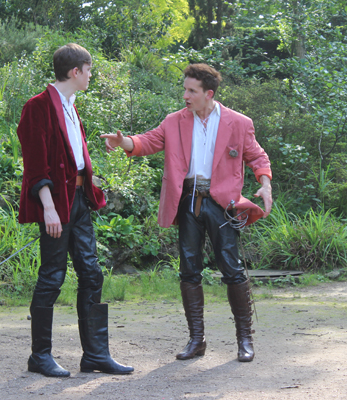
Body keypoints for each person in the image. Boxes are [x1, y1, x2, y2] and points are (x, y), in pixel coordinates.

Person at [101, 63, 272, 363]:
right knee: (189, 270)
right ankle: (197, 340)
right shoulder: (174, 121)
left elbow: (257, 156)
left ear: (209, 94)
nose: (185, 96)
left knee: (231, 269)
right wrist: (124, 142)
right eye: (185, 89)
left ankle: (245, 339)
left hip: (222, 203)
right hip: (188, 200)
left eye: (191, 91)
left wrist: (265, 185)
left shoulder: (239, 122)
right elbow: (148, 141)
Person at [17, 43, 133, 377]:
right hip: (56, 203)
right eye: (89, 69)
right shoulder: (37, 106)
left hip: (79, 200)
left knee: (92, 273)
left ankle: (95, 354)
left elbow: (71, 158)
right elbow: (35, 165)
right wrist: (49, 208)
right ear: (75, 71)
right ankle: (40, 356)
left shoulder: (70, 105)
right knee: (52, 276)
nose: (91, 75)